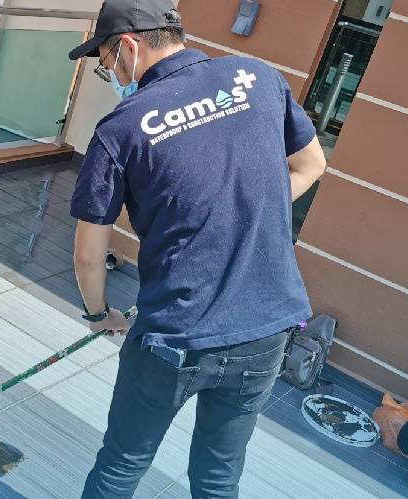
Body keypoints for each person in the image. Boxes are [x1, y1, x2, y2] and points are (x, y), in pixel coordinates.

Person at [68, 1, 327, 497]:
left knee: (122, 464)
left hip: (174, 336)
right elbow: (311, 165)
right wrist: (247, 215)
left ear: (128, 46)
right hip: (266, 330)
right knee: (218, 475)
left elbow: (87, 256)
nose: (112, 75)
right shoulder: (257, 78)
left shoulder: (121, 128)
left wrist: (100, 315)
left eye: (106, 64)